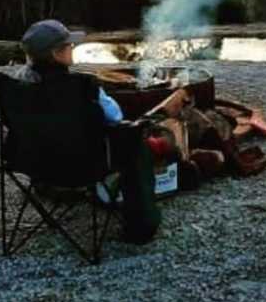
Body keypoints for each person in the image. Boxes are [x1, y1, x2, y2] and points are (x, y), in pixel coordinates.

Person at [11, 19, 161, 244]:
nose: (73, 48)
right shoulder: (81, 86)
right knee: (134, 139)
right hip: (83, 166)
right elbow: (116, 117)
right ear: (56, 54)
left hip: (30, 161)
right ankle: (142, 226)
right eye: (69, 46)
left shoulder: (17, 85)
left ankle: (46, 187)